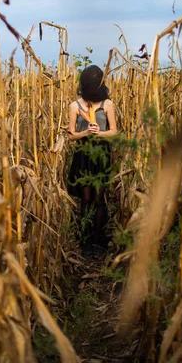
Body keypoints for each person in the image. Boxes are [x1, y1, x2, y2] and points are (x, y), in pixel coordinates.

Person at [66, 65, 117, 257]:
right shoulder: (75, 106)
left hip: (101, 155)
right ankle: (85, 240)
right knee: (86, 199)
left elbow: (113, 132)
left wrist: (100, 133)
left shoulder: (107, 105)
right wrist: (86, 132)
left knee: (99, 198)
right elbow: (71, 135)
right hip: (83, 155)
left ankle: (98, 239)